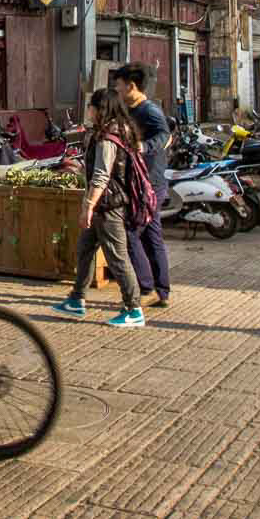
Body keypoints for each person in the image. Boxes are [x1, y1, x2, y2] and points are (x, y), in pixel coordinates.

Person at [53, 88, 145, 327]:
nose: (89, 111)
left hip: (108, 205)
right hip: (105, 204)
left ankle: (133, 309)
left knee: (117, 257)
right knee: (85, 248)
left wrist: (88, 206)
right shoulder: (121, 130)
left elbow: (102, 175)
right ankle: (76, 299)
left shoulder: (108, 138)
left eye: (91, 107)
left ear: (100, 109)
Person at [112, 63, 171, 307]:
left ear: (131, 86)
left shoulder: (149, 111)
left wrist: (144, 147)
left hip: (150, 183)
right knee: (150, 234)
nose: (117, 89)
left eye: (119, 85)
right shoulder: (131, 109)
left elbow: (165, 135)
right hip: (143, 182)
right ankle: (160, 290)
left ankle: (147, 287)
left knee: (131, 233)